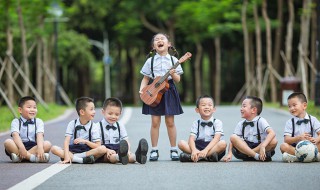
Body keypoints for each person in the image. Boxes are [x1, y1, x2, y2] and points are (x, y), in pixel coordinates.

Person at [139, 33, 184, 161]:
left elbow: (178, 80)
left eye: (162, 39)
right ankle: (154, 150)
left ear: (168, 44)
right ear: (154, 46)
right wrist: (141, 89)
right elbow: (146, 78)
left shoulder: (174, 60)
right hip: (153, 90)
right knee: (155, 122)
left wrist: (173, 74)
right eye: (156, 40)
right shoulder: (150, 61)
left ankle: (173, 149)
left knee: (170, 122)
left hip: (169, 89)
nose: (159, 40)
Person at [51, 97, 106, 164]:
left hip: (87, 151)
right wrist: (66, 156)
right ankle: (81, 160)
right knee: (54, 149)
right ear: (82, 112)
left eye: (94, 109)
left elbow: (98, 146)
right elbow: (66, 141)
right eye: (91, 109)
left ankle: (75, 157)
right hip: (73, 150)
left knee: (103, 149)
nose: (94, 112)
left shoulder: (94, 126)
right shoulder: (72, 124)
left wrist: (86, 141)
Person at [223, 96, 277, 162]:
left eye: (244, 106)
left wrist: (263, 146)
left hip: (259, 148)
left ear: (253, 110)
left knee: (273, 141)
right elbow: (233, 140)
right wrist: (229, 153)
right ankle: (256, 156)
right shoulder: (241, 124)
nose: (241, 109)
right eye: (241, 106)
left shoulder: (261, 121)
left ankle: (249, 155)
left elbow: (272, 133)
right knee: (233, 137)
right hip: (246, 147)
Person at [98, 97, 148, 165]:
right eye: (110, 114)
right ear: (103, 112)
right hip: (105, 150)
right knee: (111, 156)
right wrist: (107, 150)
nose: (113, 116)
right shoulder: (97, 126)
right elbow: (96, 144)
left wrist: (128, 150)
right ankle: (119, 157)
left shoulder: (120, 125)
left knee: (129, 156)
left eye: (116, 114)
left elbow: (126, 140)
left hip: (119, 148)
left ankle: (137, 157)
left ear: (120, 113)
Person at [178, 95, 227, 162]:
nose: (207, 107)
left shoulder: (217, 122)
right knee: (181, 143)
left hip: (212, 148)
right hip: (198, 146)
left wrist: (206, 150)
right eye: (203, 105)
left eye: (209, 105)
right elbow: (191, 139)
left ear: (214, 109)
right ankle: (206, 157)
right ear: (197, 110)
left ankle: (197, 157)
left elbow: (216, 138)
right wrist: (194, 150)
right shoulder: (196, 123)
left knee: (223, 143)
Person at [4, 96, 52, 163]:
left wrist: (40, 148)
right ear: (20, 110)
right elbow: (15, 135)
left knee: (47, 144)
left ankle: (19, 158)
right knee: (8, 142)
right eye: (29, 107)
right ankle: (32, 158)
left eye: (34, 107)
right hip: (18, 146)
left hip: (34, 146)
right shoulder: (16, 121)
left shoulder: (38, 121)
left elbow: (40, 135)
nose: (32, 109)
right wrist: (21, 148)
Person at [280, 92, 320, 162]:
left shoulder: (313, 120)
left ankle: (297, 158)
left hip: (312, 147)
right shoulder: (290, 122)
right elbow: (286, 139)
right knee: (283, 146)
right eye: (289, 106)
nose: (292, 108)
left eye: (294, 105)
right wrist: (298, 138)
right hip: (296, 148)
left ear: (304, 106)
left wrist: (316, 140)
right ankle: (312, 157)